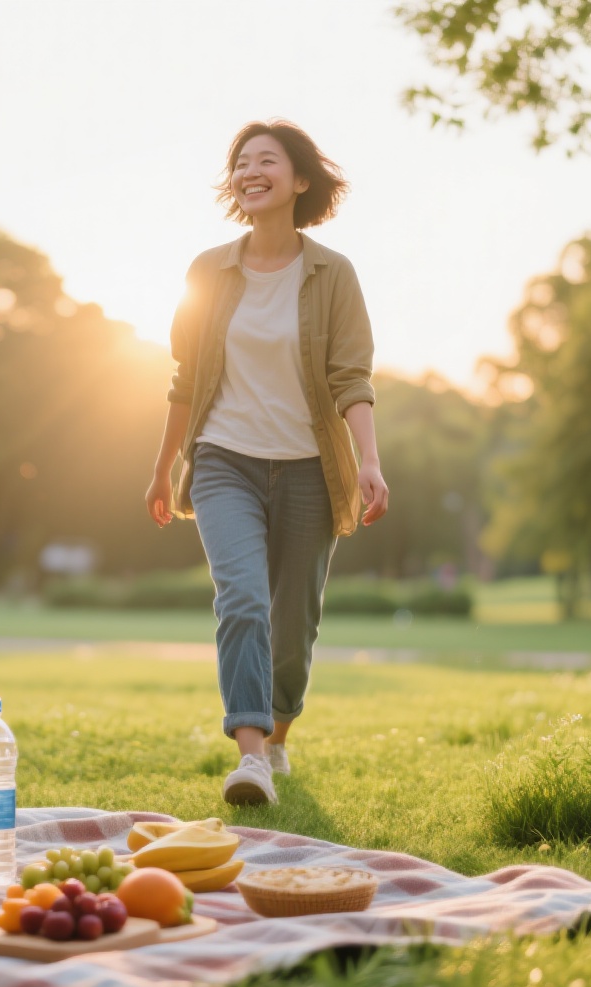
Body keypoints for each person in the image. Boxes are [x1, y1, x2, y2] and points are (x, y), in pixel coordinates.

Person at [145, 120, 388, 806]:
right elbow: (185, 380)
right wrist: (163, 466)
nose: (250, 171)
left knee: (294, 620)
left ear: (300, 180)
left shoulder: (332, 274)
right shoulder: (208, 271)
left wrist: (369, 459)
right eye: (240, 162)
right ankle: (250, 756)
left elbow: (352, 377)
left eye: (266, 160)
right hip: (225, 460)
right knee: (243, 598)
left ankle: (278, 736)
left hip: (312, 466)